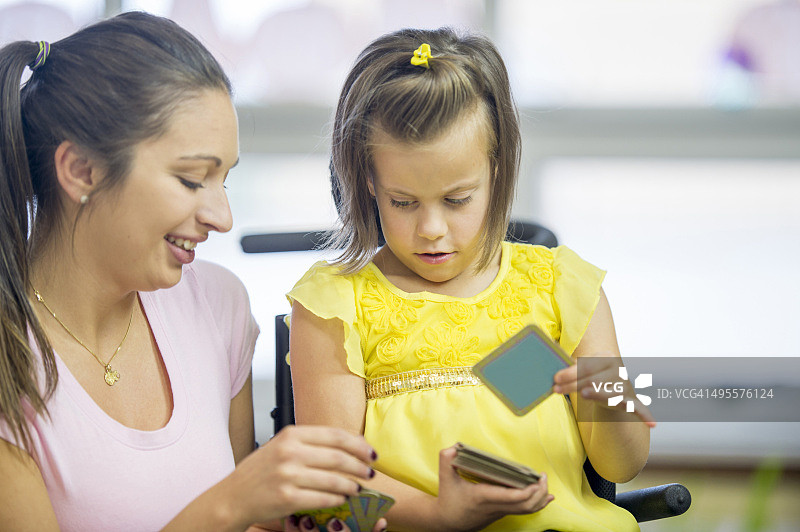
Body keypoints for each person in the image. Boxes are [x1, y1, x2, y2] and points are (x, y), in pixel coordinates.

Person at [0, 12, 386, 532]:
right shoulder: (9, 356)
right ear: (81, 170)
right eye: (190, 179)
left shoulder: (217, 305)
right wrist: (232, 503)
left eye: (224, 179)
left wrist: (286, 519)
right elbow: (229, 508)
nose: (222, 218)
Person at [287, 28, 654, 531]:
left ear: (496, 169)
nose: (431, 230)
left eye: (457, 200)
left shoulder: (559, 288)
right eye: (402, 202)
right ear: (369, 180)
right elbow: (333, 485)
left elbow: (622, 465)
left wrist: (605, 397)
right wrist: (439, 516)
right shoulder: (336, 302)